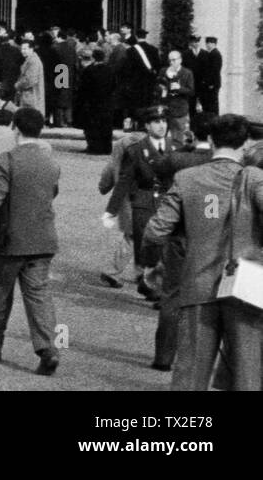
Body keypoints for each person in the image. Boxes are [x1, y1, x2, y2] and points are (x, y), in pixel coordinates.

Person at [144, 113, 263, 390]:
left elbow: (154, 232)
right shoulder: (254, 178)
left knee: (189, 375)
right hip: (247, 287)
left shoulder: (187, 178)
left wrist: (152, 265)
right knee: (248, 375)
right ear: (245, 144)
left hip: (199, 285)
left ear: (210, 140)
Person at [0, 107, 61, 375]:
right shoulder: (51, 162)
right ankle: (48, 349)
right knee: (39, 296)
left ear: (15, 128)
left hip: (9, 240)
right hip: (43, 239)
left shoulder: (5, 160)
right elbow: (51, 192)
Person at [103, 106, 172, 302]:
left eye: (164, 121)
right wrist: (111, 211)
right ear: (147, 126)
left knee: (163, 246)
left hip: (167, 203)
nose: (162, 125)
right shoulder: (136, 150)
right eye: (157, 122)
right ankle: (151, 284)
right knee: (144, 243)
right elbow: (124, 181)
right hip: (143, 202)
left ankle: (151, 284)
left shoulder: (174, 147)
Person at [75, 48, 116, 154]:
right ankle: (107, 148)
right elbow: (114, 86)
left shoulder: (89, 70)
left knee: (92, 126)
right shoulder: (110, 70)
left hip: (92, 103)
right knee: (106, 126)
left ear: (93, 58)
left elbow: (83, 88)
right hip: (107, 102)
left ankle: (94, 147)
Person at [197, 37, 222, 116]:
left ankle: (214, 119)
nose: (207, 45)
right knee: (209, 103)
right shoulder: (211, 53)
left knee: (212, 104)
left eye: (209, 43)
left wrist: (211, 83)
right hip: (210, 83)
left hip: (212, 84)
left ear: (214, 44)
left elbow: (215, 70)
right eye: (207, 43)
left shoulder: (215, 54)